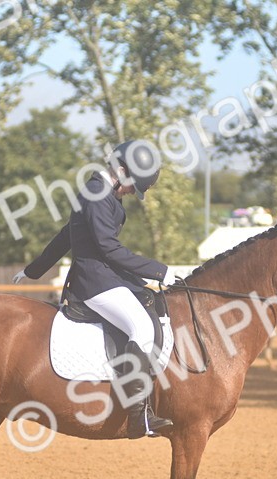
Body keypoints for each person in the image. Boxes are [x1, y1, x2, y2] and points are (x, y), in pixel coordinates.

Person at [13, 140, 176, 439]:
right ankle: (139, 415)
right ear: (122, 171)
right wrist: (160, 270)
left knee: (151, 304)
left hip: (108, 276)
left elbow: (66, 236)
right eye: (133, 187)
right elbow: (108, 248)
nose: (131, 193)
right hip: (95, 282)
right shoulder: (97, 192)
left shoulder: (101, 192)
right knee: (141, 327)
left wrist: (33, 270)